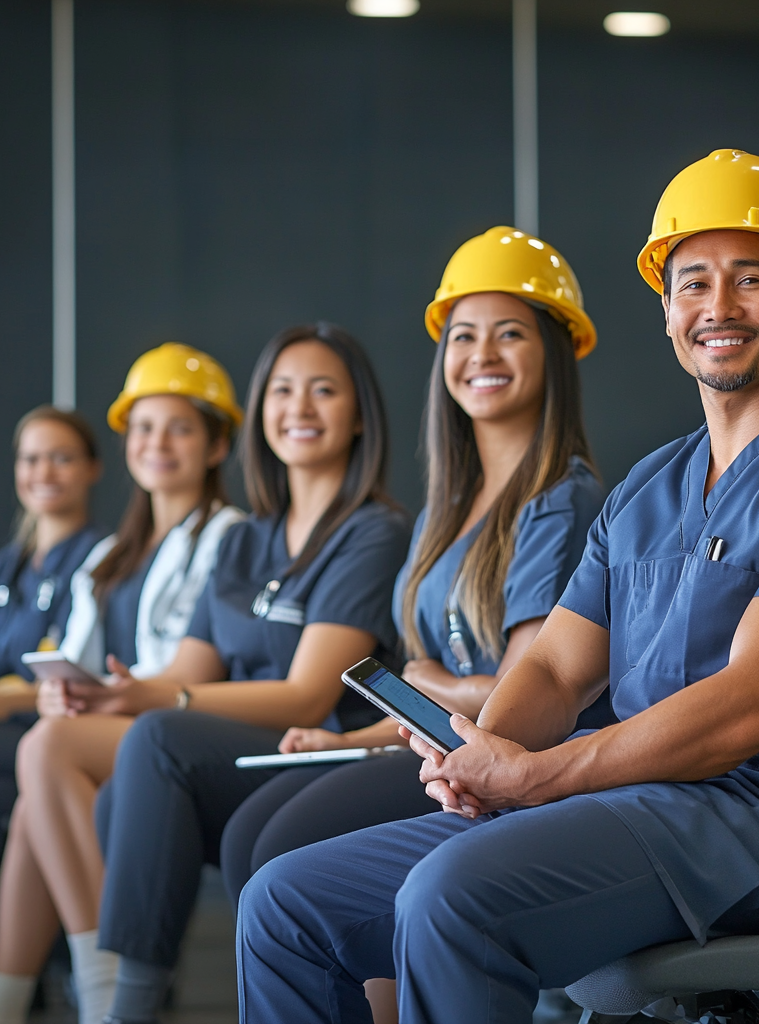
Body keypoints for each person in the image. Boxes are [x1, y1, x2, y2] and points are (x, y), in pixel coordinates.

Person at [235, 149, 759, 1024]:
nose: (717, 307)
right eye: (692, 284)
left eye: (750, 278)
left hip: (754, 830)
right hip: (625, 809)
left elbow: (753, 706)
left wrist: (537, 778)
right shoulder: (650, 487)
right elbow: (558, 671)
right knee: (283, 904)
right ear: (666, 311)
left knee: (452, 899)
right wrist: (482, 754)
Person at [220, 230, 606, 1020]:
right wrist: (347, 739)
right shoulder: (442, 512)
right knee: (250, 837)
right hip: (445, 751)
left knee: (276, 852)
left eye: (510, 333)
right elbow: (427, 699)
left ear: (555, 353)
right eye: (462, 335)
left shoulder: (560, 501)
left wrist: (426, 683)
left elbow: (518, 689)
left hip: (513, 770)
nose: (481, 353)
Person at [66, 323, 411, 1024]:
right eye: (283, 390)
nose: (300, 408)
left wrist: (161, 697)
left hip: (327, 752)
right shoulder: (245, 538)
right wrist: (121, 693)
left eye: (323, 390)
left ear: (358, 417)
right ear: (260, 415)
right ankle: (138, 1000)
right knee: (124, 785)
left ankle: (122, 1010)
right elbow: (191, 671)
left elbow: (312, 694)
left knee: (159, 740)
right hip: (258, 756)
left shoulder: (371, 531)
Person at [0, 343, 244, 1024]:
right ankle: (6, 1004)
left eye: (179, 427)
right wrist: (64, 690)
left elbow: (192, 674)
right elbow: (75, 657)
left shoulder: (229, 536)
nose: (157, 444)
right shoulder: (116, 551)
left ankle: (107, 990)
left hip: (182, 726)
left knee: (44, 752)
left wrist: (97, 698)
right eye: (144, 428)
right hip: (117, 723)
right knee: (37, 795)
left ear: (215, 446)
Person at [0, 406, 102, 985]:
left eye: (61, 457)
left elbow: (54, 685)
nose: (43, 470)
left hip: (41, 734)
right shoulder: (3, 567)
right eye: (31, 457)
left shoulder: (99, 561)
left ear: (92, 469)